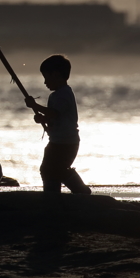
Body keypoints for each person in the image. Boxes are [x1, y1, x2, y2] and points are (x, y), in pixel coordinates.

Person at [24, 54, 91, 194]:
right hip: (58, 142)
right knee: (51, 169)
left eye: (46, 78)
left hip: (65, 143)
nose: (45, 82)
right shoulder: (55, 95)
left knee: (54, 169)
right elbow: (54, 117)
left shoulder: (64, 94)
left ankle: (78, 191)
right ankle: (54, 193)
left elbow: (54, 113)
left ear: (55, 75)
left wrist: (35, 106)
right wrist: (43, 119)